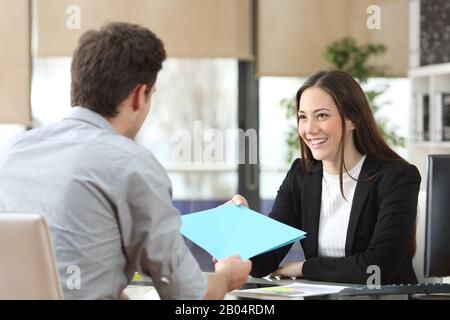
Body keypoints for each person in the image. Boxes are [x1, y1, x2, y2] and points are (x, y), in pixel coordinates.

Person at [0, 22, 251, 300]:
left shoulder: (15, 151)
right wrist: (226, 276)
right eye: (151, 95)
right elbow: (187, 295)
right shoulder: (131, 163)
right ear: (137, 96)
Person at [228, 70, 421, 285]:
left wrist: (303, 268)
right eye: (303, 117)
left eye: (322, 115)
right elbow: (264, 262)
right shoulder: (300, 175)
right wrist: (240, 227)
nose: (309, 129)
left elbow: (376, 268)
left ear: (352, 120)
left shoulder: (397, 177)